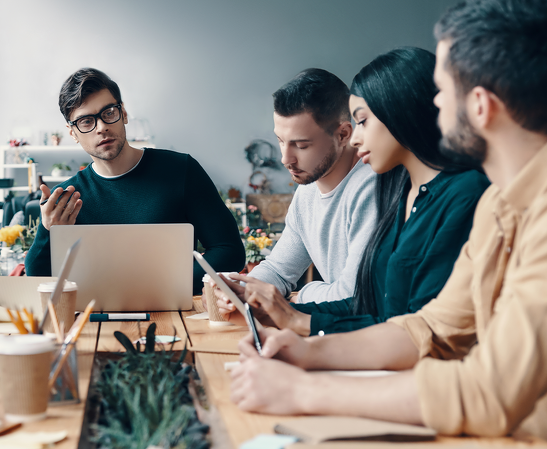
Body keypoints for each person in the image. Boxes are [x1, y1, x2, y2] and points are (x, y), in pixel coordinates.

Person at [229, 0, 547, 438]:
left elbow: (489, 393)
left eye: (442, 90)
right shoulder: (500, 203)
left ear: (480, 105)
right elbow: (430, 327)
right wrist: (308, 354)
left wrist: (303, 390)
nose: (433, 103)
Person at [215, 48, 490, 336]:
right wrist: (252, 294)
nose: (285, 159)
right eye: (281, 141)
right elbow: (387, 314)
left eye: (363, 121)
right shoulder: (406, 193)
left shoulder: (394, 187)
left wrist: (296, 304)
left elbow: (385, 313)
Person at [24, 68, 244, 294]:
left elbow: (229, 251)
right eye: (86, 121)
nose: (102, 127)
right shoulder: (68, 198)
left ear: (124, 114)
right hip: (95, 314)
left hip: (174, 310)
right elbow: (38, 279)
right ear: (72, 133)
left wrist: (165, 286)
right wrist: (48, 230)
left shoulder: (181, 170)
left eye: (109, 112)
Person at [243, 69, 378, 305]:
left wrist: (303, 295)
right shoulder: (307, 190)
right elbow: (278, 270)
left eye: (301, 145)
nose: (286, 159)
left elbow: (354, 296)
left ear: (343, 134)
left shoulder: (371, 188)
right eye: (281, 141)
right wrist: (243, 289)